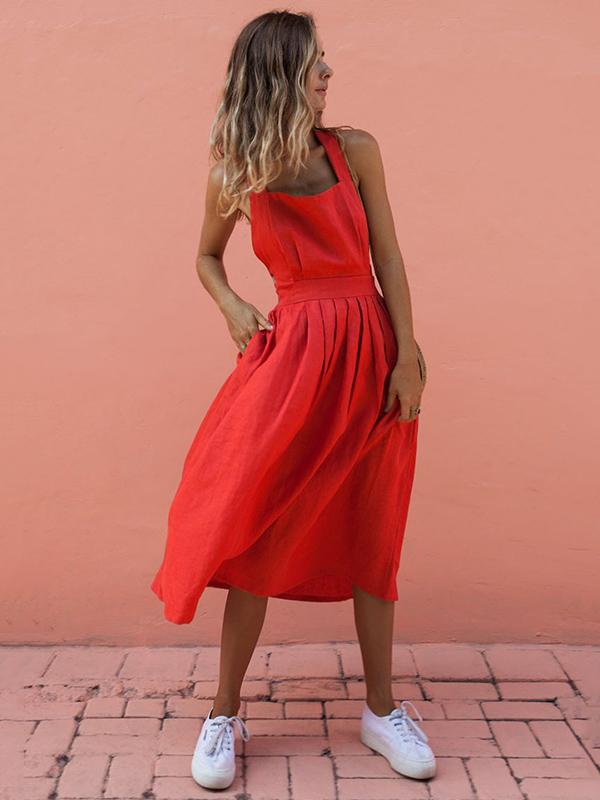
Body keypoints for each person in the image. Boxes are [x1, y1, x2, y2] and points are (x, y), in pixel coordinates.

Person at [150, 9, 435, 791]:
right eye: (317, 65)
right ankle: (224, 712)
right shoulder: (233, 170)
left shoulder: (356, 151)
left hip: (371, 357)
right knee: (258, 531)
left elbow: (390, 259)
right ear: (280, 76)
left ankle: (381, 710)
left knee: (375, 530)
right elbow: (206, 258)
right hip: (293, 365)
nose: (329, 75)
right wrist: (233, 305)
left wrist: (406, 354)